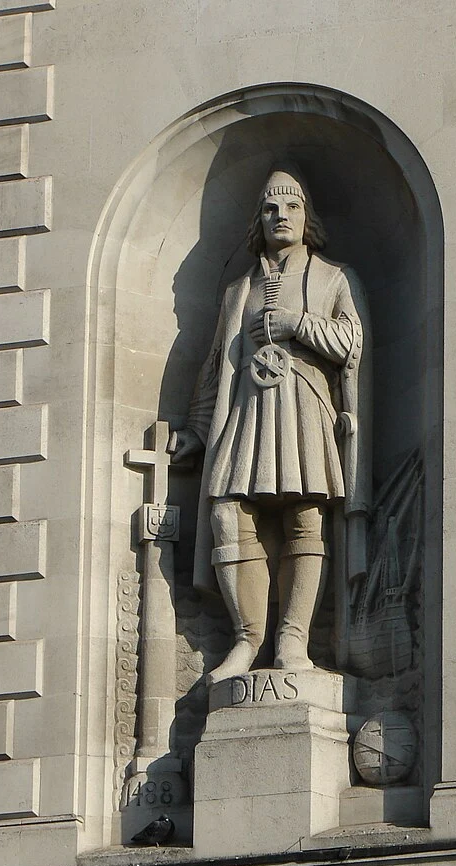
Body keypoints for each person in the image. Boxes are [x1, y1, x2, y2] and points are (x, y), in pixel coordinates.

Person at [169, 164, 370, 683]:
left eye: (293, 207)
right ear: (259, 221)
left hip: (305, 409)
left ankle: (293, 640)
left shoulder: (333, 278)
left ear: (308, 218)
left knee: (305, 513)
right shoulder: (239, 289)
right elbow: (217, 362)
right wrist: (194, 427)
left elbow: (353, 345)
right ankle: (247, 639)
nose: (282, 216)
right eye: (270, 209)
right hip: (246, 412)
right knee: (228, 514)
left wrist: (296, 324)